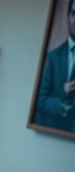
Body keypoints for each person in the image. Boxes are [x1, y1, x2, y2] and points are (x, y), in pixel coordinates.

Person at [35, 0, 75, 130]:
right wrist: (63, 93)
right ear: (68, 17)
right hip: (54, 133)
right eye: (74, 13)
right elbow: (40, 100)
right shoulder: (52, 57)